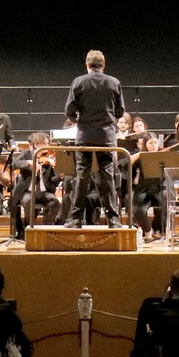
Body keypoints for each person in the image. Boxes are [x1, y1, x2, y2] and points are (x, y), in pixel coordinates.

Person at [63, 49, 124, 226]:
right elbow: (120, 111)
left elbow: (69, 111)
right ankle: (113, 219)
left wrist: (80, 120)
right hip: (107, 137)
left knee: (82, 177)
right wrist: (109, 121)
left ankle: (75, 218)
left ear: (88, 65)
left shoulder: (79, 82)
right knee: (107, 177)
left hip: (85, 136)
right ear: (103, 65)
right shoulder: (114, 82)